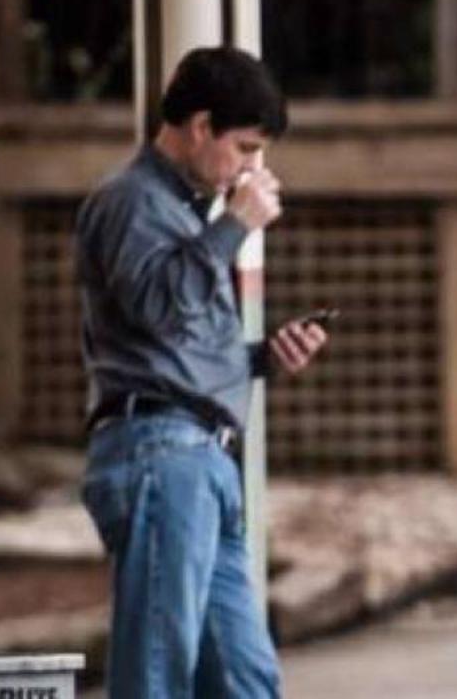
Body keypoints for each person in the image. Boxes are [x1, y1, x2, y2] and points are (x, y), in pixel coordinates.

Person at [78, 47, 328, 699]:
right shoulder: (130, 201)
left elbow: (175, 345)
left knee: (245, 674)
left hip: (203, 459)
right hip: (161, 453)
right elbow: (159, 306)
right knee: (159, 667)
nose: (252, 169)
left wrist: (262, 357)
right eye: (244, 148)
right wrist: (234, 226)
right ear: (199, 126)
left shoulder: (187, 212)